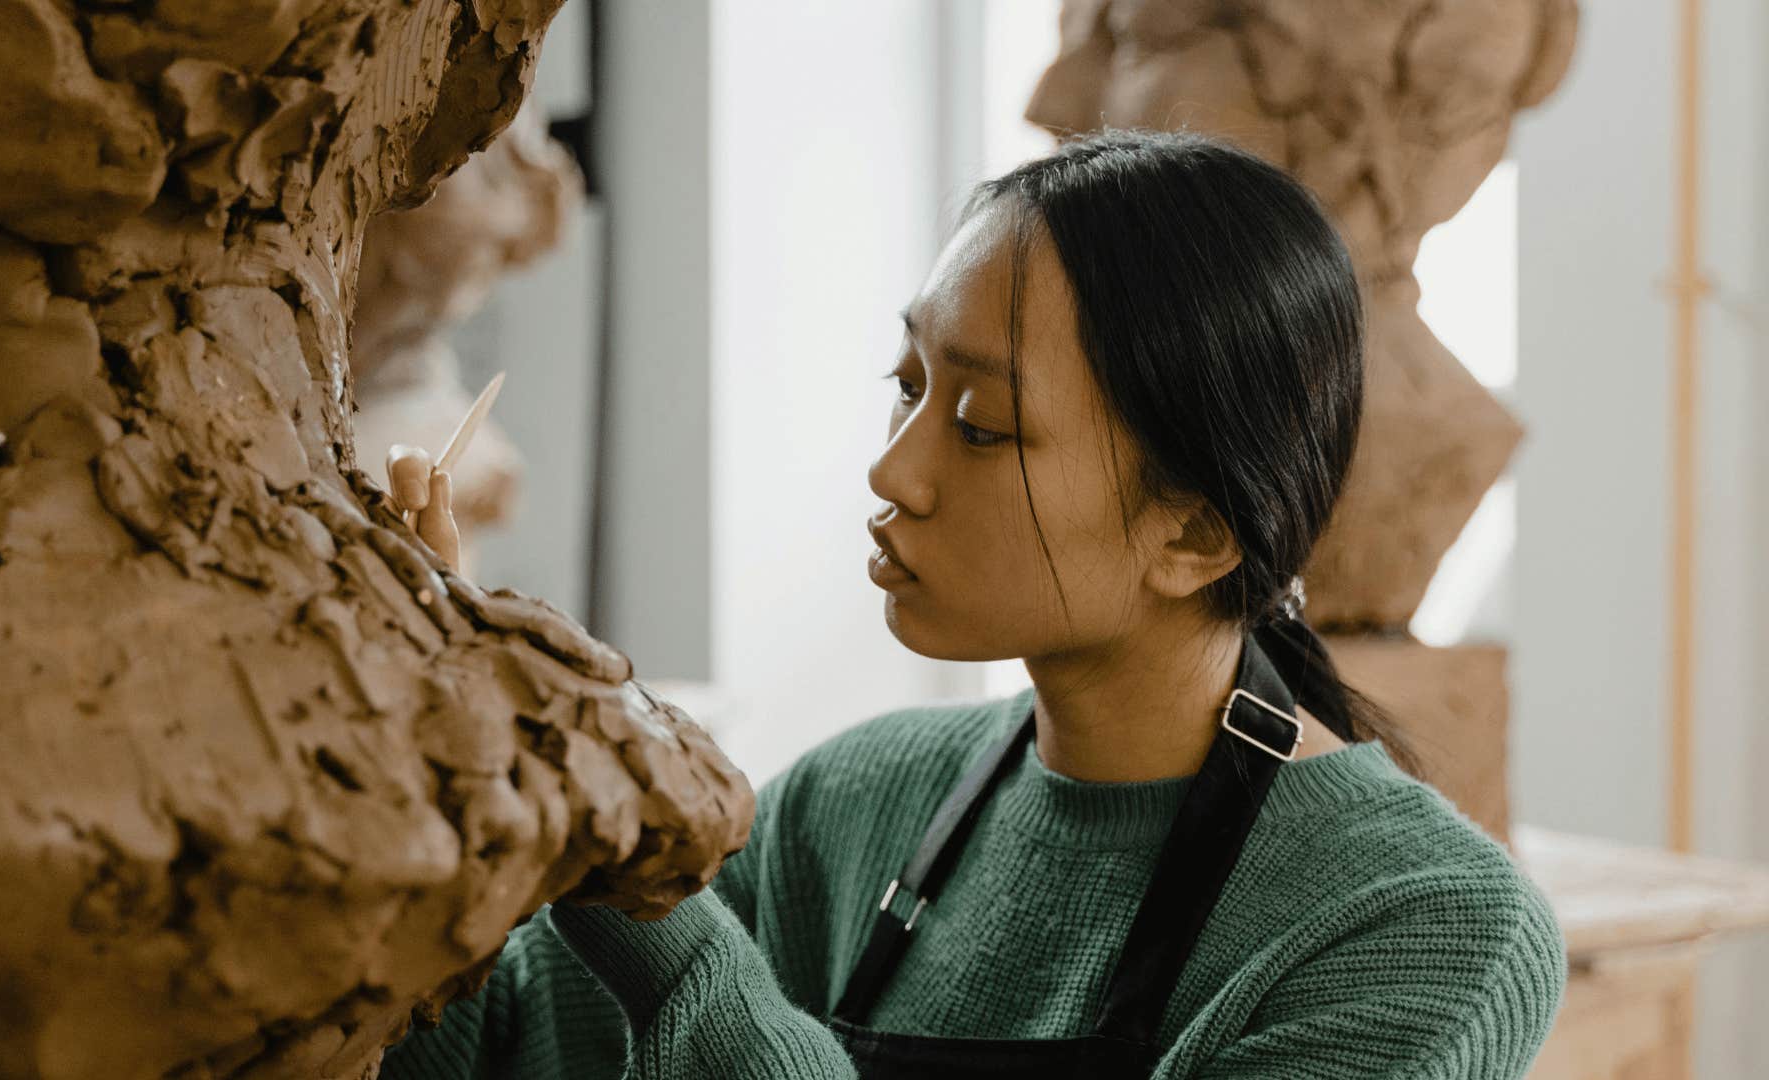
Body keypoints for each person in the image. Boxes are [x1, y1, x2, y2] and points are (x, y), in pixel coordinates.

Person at [379, 129, 1567, 1079]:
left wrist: (655, 900)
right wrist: (425, 740)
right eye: (905, 388)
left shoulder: (1421, 926)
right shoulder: (848, 806)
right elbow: (489, 1052)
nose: (894, 471)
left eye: (983, 427)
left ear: (1195, 530)